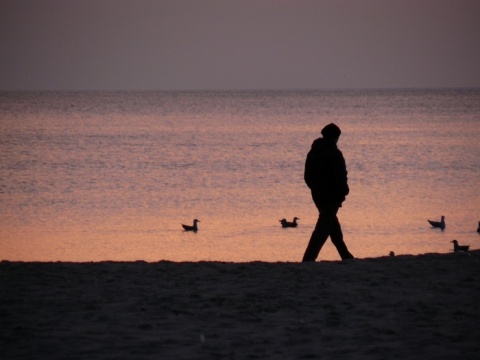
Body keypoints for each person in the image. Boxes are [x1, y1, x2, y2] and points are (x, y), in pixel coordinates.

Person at [302, 123, 354, 261]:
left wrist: (315, 188)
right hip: (332, 196)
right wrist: (344, 191)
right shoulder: (334, 153)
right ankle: (308, 258)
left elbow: (307, 176)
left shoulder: (312, 152)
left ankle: (345, 255)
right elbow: (340, 175)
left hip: (318, 195)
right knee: (323, 227)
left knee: (331, 224)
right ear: (335, 137)